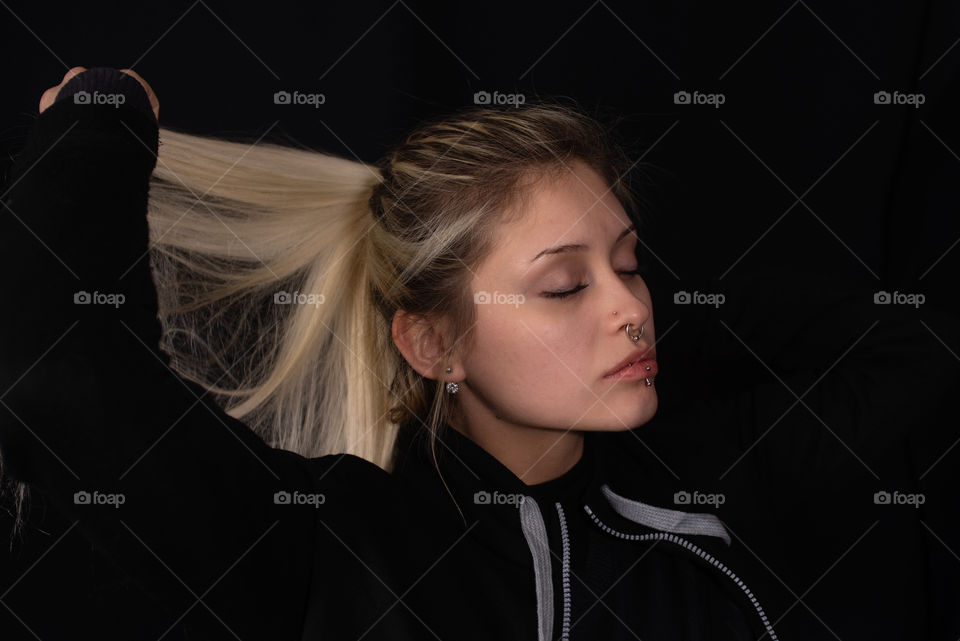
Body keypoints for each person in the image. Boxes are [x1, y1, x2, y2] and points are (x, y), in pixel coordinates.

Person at [0, 66, 955, 640]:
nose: (632, 309)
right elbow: (58, 362)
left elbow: (916, 349)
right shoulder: (330, 542)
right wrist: (100, 120)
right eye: (563, 284)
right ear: (433, 340)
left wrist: (674, 304)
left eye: (633, 265)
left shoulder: (708, 486)